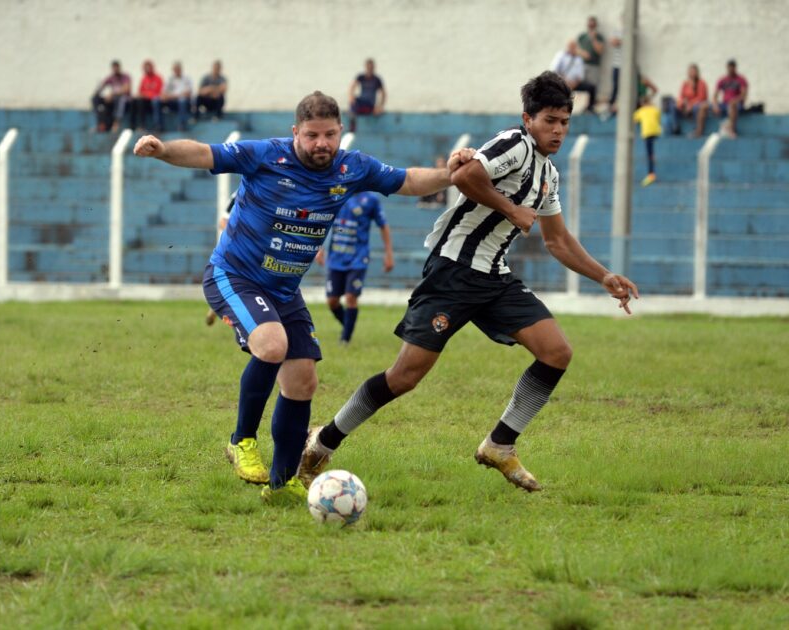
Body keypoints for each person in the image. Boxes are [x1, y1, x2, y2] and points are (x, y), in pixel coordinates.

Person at [298, 72, 639, 494]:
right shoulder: (513, 143)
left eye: (565, 122)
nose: (558, 130)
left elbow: (558, 240)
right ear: (527, 118)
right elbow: (465, 175)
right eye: (550, 120)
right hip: (452, 272)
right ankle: (323, 440)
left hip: (494, 278)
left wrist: (603, 275)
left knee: (556, 352)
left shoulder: (548, 174)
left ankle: (500, 444)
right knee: (405, 377)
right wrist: (511, 208)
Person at [132, 91, 472, 503]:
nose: (322, 144)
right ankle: (241, 441)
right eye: (312, 135)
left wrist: (450, 174)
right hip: (234, 276)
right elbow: (204, 153)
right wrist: (163, 149)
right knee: (272, 346)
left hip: (283, 290)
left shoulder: (351, 167)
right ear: (296, 132)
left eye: (329, 134)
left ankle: (282, 483)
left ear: (341, 132)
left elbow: (407, 180)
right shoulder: (264, 156)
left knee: (303, 380)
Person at [315, 192, 394, 345]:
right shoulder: (335, 193)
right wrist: (320, 248)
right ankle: (348, 325)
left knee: (351, 297)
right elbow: (325, 221)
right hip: (336, 257)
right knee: (332, 301)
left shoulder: (370, 199)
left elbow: (383, 225)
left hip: (358, 258)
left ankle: (345, 339)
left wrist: (388, 253)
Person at [550, 41, 593, 110]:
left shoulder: (578, 59)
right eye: (571, 47)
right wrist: (564, 81)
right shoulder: (561, 56)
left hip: (574, 84)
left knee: (591, 88)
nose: (572, 49)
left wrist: (574, 84)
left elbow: (580, 76)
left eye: (574, 47)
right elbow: (554, 71)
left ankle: (590, 108)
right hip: (561, 82)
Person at [92, 60, 132, 132]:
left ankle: (116, 122)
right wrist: (97, 92)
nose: (115, 69)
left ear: (119, 68)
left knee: (121, 100)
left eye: (117, 67)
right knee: (95, 99)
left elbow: (126, 90)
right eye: (114, 68)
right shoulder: (111, 78)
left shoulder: (125, 77)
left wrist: (112, 94)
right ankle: (100, 122)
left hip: (124, 100)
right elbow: (102, 85)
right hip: (114, 99)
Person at [713, 59, 749, 138]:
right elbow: (715, 95)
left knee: (732, 105)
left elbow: (744, 95)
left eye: (732, 68)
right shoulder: (722, 80)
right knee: (704, 106)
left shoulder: (741, 80)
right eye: (729, 67)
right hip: (724, 104)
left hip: (737, 104)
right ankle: (699, 131)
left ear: (735, 68)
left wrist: (735, 100)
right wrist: (715, 105)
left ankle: (731, 130)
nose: (730, 69)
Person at [348, 58, 386, 132]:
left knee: (357, 107)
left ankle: (354, 119)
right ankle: (352, 126)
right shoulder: (361, 77)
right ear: (365, 67)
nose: (370, 69)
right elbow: (352, 87)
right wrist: (351, 97)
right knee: (354, 103)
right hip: (362, 102)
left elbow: (383, 93)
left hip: (370, 104)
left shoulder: (377, 79)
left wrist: (380, 106)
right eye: (368, 67)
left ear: (374, 67)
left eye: (371, 67)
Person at [576, 16, 605, 111]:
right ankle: (580, 105)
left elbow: (600, 51)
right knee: (582, 85)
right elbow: (576, 49)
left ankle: (590, 106)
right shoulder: (582, 36)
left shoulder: (599, 37)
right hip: (582, 65)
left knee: (592, 86)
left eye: (593, 24)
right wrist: (583, 53)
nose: (591, 26)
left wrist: (593, 39)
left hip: (594, 66)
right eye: (590, 23)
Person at [634, 95, 661, 186]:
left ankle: (651, 174)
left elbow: (634, 119)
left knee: (649, 153)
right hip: (656, 132)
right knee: (651, 152)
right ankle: (651, 172)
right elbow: (659, 116)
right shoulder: (654, 109)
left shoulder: (641, 111)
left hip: (647, 133)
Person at [675, 64, 710, 138]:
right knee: (673, 107)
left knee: (697, 107)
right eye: (690, 71)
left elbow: (701, 97)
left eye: (693, 71)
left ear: (697, 72)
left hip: (697, 104)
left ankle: (698, 130)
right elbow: (681, 96)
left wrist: (690, 105)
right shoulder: (685, 84)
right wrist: (683, 103)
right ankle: (675, 128)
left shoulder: (701, 83)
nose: (692, 73)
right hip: (687, 105)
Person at [160, 61, 193, 131]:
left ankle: (182, 125)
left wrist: (172, 96)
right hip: (172, 101)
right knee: (156, 101)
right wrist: (169, 96)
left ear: (181, 69)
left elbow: (188, 93)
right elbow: (163, 92)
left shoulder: (187, 78)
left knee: (182, 100)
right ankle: (159, 125)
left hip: (184, 102)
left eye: (178, 69)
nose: (176, 71)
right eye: (175, 69)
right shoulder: (170, 79)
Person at [133, 60, 164, 130]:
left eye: (149, 67)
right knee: (137, 101)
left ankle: (158, 125)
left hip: (155, 101)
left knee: (155, 101)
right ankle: (139, 125)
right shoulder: (144, 78)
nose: (147, 70)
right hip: (146, 102)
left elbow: (159, 92)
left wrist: (146, 95)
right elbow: (140, 91)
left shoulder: (158, 78)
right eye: (145, 68)